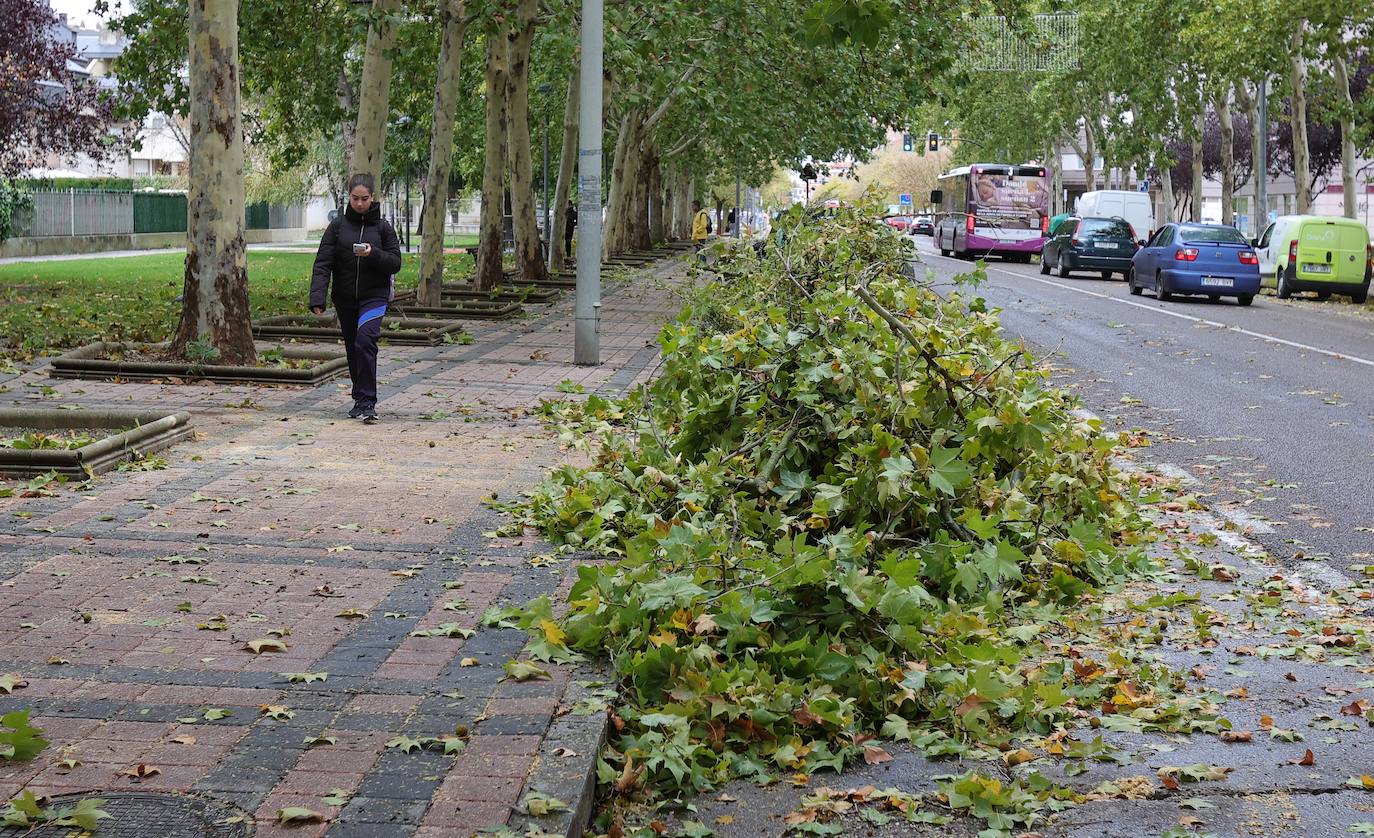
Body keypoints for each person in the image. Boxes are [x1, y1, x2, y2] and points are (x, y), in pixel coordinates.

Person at [309, 173, 402, 424]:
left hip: (375, 296)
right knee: (353, 347)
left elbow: (395, 263)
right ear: (348, 197)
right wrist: (317, 297)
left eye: (364, 199)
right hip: (345, 298)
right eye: (355, 198)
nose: (360, 204)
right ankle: (359, 398)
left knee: (365, 341)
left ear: (373, 198)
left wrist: (373, 254)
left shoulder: (383, 228)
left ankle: (369, 402)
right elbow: (323, 263)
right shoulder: (337, 227)